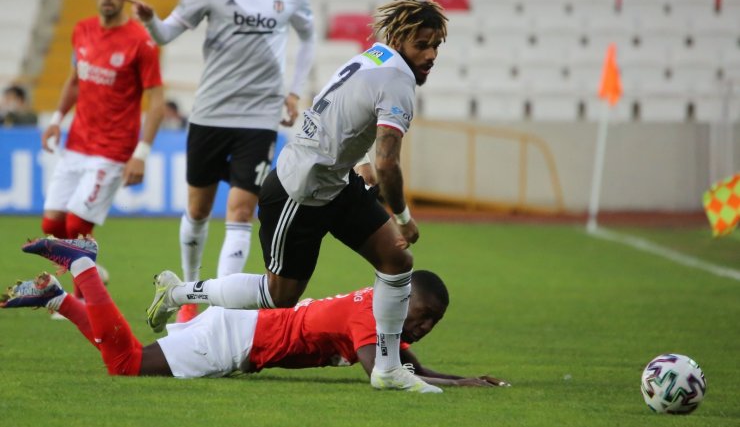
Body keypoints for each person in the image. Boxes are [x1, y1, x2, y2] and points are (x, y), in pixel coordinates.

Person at [146, 0, 449, 393]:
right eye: (421, 45)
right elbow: (389, 163)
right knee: (280, 295)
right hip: (299, 189)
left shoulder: (372, 58)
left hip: (334, 181)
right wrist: (404, 218)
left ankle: (388, 370)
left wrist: (357, 163)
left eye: (435, 46)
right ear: (399, 38)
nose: (429, 55)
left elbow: (339, 116)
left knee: (396, 260)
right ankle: (176, 291)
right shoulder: (398, 82)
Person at [123, 0, 316, 323]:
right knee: (197, 210)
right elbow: (168, 33)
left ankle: (219, 309)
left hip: (260, 117)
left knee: (242, 211)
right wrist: (150, 21)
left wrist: (295, 90)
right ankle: (188, 294)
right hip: (210, 113)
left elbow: (308, 37)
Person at [1, 236, 508, 388]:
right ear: (405, 297)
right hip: (235, 341)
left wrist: (463, 380)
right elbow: (385, 374)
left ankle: (57, 299)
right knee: (125, 363)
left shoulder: (378, 310)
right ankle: (83, 266)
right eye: (421, 314)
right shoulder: (371, 321)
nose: (421, 326)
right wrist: (454, 388)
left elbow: (406, 362)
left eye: (431, 322)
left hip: (241, 330)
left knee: (130, 357)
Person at [40, 0, 164, 245]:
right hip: (77, 142)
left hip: (112, 150)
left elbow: (157, 101)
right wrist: (56, 121)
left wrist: (141, 153)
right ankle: (93, 276)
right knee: (52, 224)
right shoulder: (82, 30)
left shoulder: (141, 42)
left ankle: (84, 292)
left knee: (77, 225)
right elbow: (74, 80)